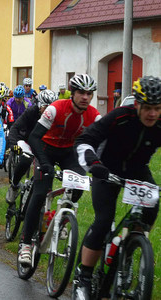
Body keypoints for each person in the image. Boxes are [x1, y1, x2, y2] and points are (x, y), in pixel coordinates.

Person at [72, 76, 161, 299]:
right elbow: (84, 141)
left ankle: (130, 249)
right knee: (103, 220)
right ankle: (83, 276)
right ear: (137, 104)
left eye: (158, 108)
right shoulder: (119, 117)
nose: (153, 114)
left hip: (137, 170)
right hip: (107, 168)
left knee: (151, 206)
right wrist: (94, 165)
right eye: (148, 108)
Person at [18, 74, 101, 266]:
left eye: (89, 94)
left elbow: (102, 144)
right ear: (72, 93)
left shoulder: (94, 116)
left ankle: (62, 217)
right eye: (81, 92)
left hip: (69, 153)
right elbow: (34, 138)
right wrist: (45, 163)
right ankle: (25, 245)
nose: (85, 97)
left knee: (80, 184)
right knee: (40, 193)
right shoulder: (55, 109)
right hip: (45, 149)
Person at [5, 89, 58, 204]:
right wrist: (13, 144)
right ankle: (14, 185)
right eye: (45, 107)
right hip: (27, 141)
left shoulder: (56, 115)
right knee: (25, 160)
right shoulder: (31, 111)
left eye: (52, 107)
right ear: (39, 105)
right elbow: (15, 128)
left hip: (44, 144)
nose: (49, 110)